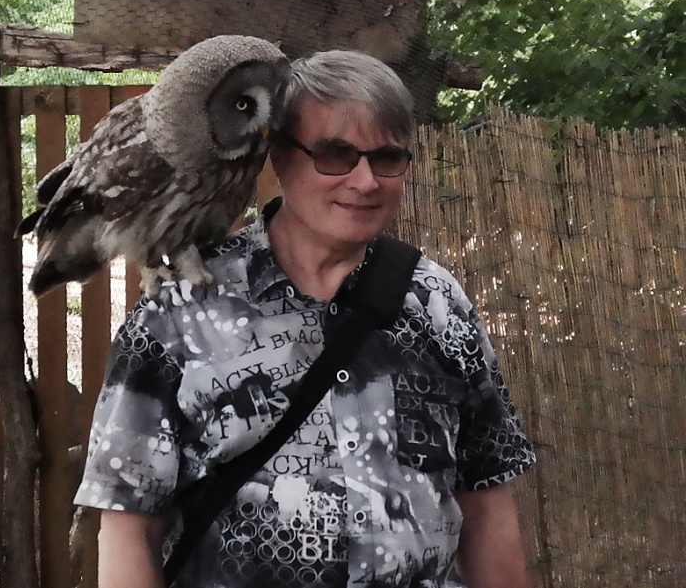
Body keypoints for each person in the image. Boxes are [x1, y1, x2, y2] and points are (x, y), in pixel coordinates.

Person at [74, 49, 536, 588]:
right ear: (278, 155)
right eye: (336, 155)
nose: (365, 182)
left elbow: (486, 504)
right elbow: (128, 525)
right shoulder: (180, 314)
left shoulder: (436, 301)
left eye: (387, 158)